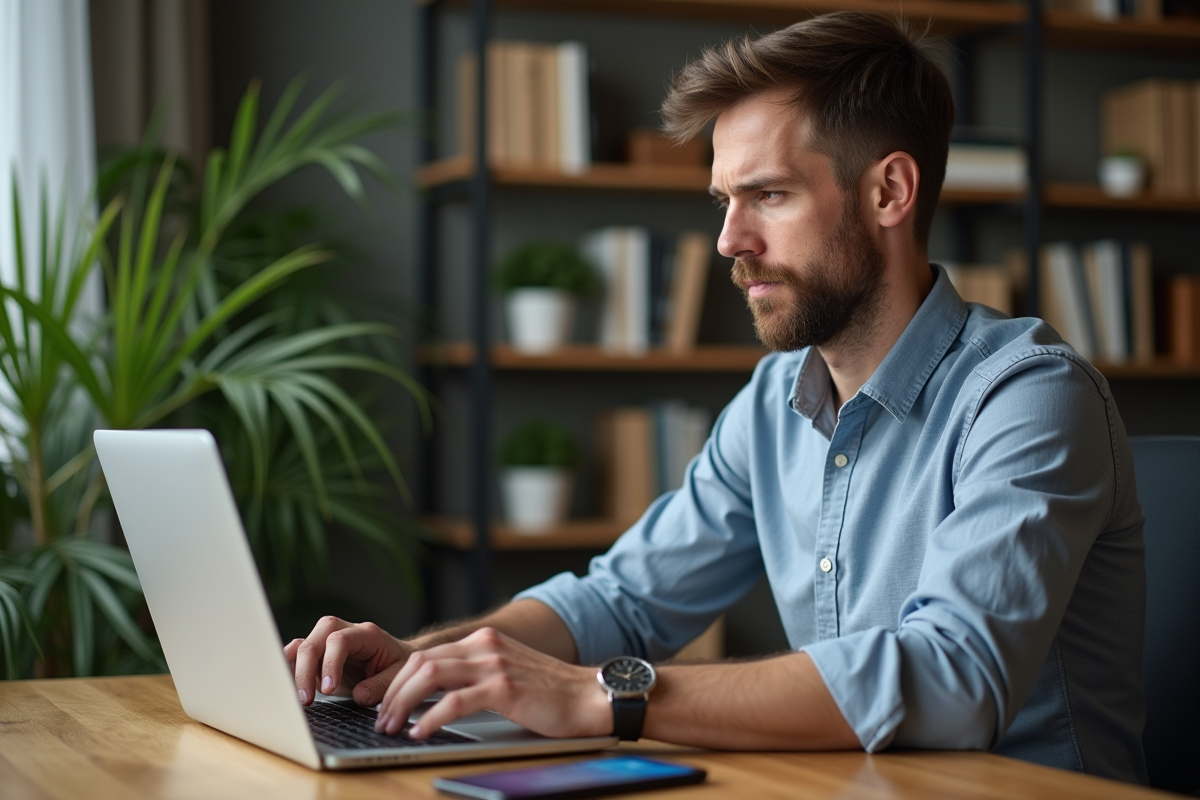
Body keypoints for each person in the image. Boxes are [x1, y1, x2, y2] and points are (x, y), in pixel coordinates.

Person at [287, 11, 1147, 784]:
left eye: (768, 195)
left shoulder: (1028, 397)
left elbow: (953, 679)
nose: (730, 241)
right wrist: (422, 661)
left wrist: (604, 698)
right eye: (724, 200)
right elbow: (624, 600)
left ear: (889, 191)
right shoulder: (775, 399)